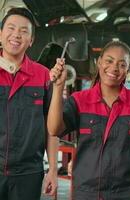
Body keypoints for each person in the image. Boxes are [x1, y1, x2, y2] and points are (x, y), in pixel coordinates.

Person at [48, 41, 130, 200]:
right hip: (87, 192)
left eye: (122, 64)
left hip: (126, 193)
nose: (114, 68)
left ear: (128, 69)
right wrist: (58, 87)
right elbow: (54, 129)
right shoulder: (79, 100)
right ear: (99, 62)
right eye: (109, 61)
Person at [0, 8, 58, 200]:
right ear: (1, 34)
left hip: (28, 173)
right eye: (11, 28)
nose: (16, 35)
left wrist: (53, 170)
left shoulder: (43, 76)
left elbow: (52, 127)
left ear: (31, 41)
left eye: (24, 31)